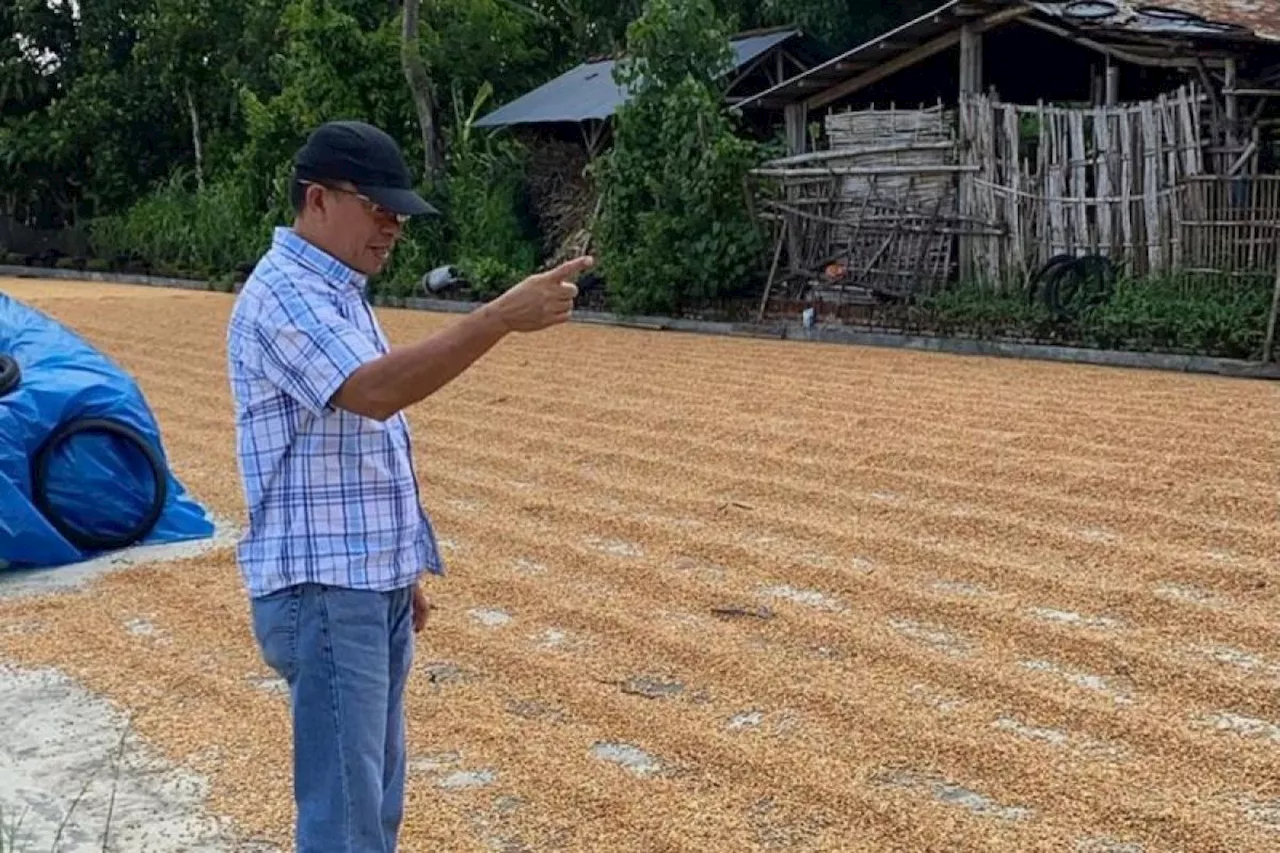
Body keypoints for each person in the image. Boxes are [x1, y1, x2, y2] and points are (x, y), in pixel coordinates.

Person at [225, 119, 591, 853]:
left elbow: (359, 445)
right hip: (326, 591)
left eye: (400, 212)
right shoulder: (286, 295)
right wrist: (495, 319)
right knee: (346, 820)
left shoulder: (337, 292)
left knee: (373, 805)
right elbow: (373, 393)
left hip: (364, 585)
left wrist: (401, 568)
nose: (394, 226)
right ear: (319, 199)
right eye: (379, 207)